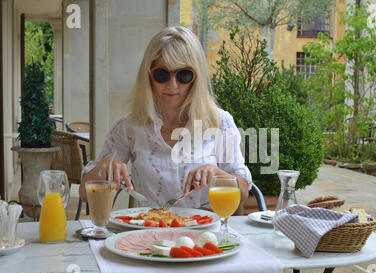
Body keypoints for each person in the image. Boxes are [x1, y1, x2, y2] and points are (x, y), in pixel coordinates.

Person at [79, 26, 252, 210]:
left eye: (184, 75)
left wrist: (217, 174)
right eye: (162, 74)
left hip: (206, 233)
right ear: (148, 75)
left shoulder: (219, 122)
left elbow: (243, 193)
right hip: (150, 231)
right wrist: (104, 166)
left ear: (196, 78)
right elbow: (84, 194)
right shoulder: (129, 128)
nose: (173, 85)